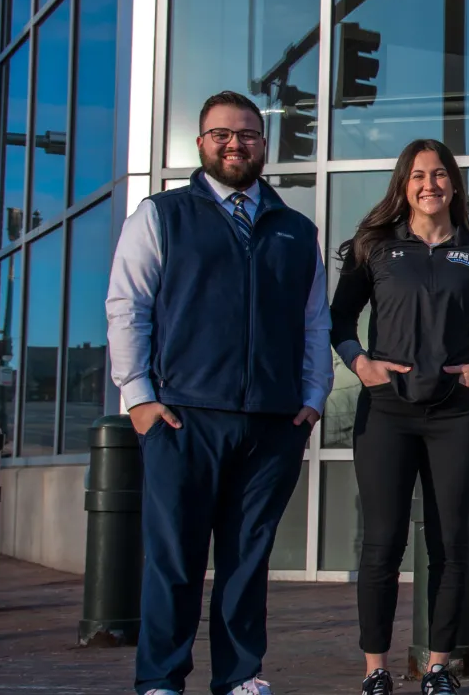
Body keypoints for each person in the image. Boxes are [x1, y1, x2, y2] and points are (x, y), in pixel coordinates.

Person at [106, 90, 331, 695]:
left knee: (247, 562)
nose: (236, 144)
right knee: (174, 558)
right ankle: (161, 678)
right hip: (182, 418)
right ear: (201, 143)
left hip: (272, 423)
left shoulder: (296, 230)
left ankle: (240, 677)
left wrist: (313, 397)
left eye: (248, 134)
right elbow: (128, 308)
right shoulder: (160, 216)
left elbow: (314, 323)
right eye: (221, 134)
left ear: (264, 144)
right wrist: (139, 397)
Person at [329, 140, 469, 695]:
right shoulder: (375, 248)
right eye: (417, 176)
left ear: (454, 185)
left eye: (439, 175)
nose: (429, 184)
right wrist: (358, 362)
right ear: (403, 186)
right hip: (387, 411)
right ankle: (375, 670)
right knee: (382, 543)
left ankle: (438, 666)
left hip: (456, 413)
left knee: (450, 542)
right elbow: (338, 319)